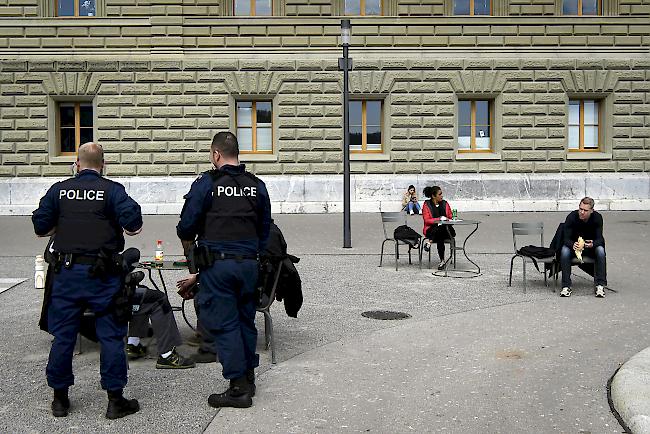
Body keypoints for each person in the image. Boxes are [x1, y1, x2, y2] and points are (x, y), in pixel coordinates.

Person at [32, 142, 142, 419]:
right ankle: (115, 400)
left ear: (77, 164)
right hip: (103, 275)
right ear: (103, 165)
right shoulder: (113, 190)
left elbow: (39, 227)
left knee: (64, 337)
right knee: (111, 336)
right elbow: (135, 225)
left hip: (67, 275)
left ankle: (60, 400)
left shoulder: (59, 190)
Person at [176, 131, 271, 409]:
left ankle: (238, 387)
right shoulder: (256, 185)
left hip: (219, 266)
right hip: (249, 265)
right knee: (245, 320)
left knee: (225, 323)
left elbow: (187, 225)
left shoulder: (207, 183)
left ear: (216, 154)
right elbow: (265, 229)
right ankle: (248, 375)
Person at [126, 286, 196, 369]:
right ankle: (166, 355)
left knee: (142, 296)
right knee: (158, 299)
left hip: (109, 297)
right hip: (113, 298)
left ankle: (133, 344)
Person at [559, 197, 607, 298]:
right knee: (564, 251)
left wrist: (593, 244)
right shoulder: (572, 216)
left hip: (589, 248)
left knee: (600, 250)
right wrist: (572, 244)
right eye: (580, 209)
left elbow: (600, 239)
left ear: (591, 211)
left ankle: (600, 285)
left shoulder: (597, 218)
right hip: (574, 247)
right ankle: (566, 286)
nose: (582, 212)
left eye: (585, 210)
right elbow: (565, 238)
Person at [421, 186, 455, 271]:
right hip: (431, 229)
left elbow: (450, 217)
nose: (442, 196)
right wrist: (439, 219)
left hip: (446, 229)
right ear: (433, 196)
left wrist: (449, 218)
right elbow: (427, 220)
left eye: (441, 194)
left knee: (442, 227)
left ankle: (430, 242)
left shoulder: (445, 203)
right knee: (440, 233)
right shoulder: (427, 205)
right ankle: (442, 261)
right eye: (440, 194)